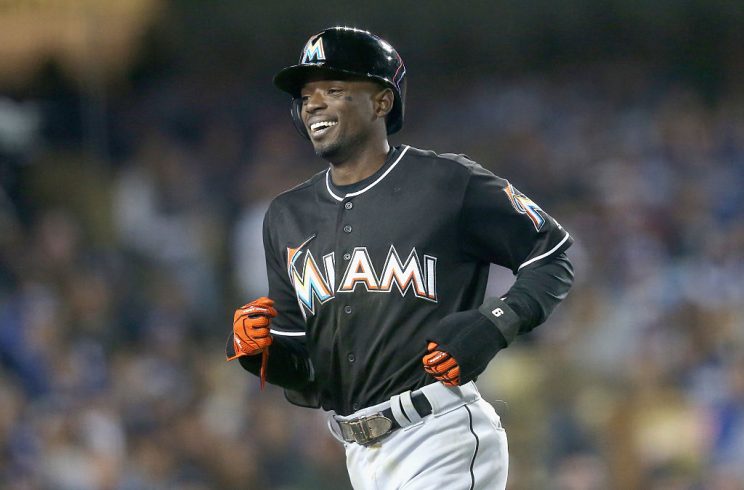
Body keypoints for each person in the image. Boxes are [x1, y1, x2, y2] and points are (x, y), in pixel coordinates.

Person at [227, 26, 575, 490]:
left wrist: (497, 321)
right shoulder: (287, 216)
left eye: (333, 89)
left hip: (441, 434)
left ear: (381, 101)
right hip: (358, 455)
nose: (313, 103)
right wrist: (261, 352)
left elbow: (552, 253)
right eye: (307, 95)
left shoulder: (447, 182)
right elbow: (305, 366)